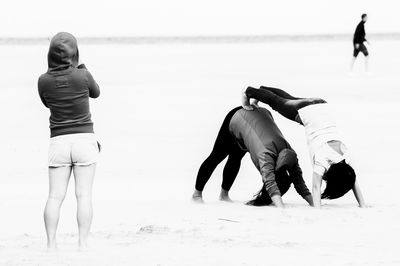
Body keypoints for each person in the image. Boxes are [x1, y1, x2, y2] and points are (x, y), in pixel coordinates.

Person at [242, 86, 366, 208]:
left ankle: (263, 89)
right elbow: (316, 188)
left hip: (321, 105)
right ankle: (249, 92)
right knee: (276, 102)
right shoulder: (322, 161)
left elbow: (352, 181)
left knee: (287, 99)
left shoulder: (347, 159)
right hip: (305, 112)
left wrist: (363, 205)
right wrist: (318, 209)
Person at [38, 32, 101, 250]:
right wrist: (81, 65)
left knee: (54, 197)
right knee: (83, 195)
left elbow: (47, 103)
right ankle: (82, 243)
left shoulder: (43, 81)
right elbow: (96, 93)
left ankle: (51, 244)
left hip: (59, 142)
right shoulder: (83, 76)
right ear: (74, 53)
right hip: (84, 140)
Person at [192, 106, 313, 208]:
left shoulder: (290, 155)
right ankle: (196, 195)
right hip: (237, 117)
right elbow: (270, 184)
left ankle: (224, 195)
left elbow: (299, 183)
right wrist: (281, 208)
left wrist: (314, 203)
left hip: (259, 116)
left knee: (235, 157)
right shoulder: (265, 156)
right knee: (217, 155)